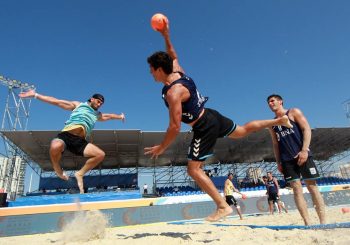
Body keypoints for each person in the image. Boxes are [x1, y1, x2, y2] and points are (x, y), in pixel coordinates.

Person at [144, 20, 293, 222]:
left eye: (151, 69)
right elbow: (174, 55)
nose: (150, 73)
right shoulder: (178, 72)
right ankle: (279, 121)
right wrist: (166, 35)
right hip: (211, 115)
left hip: (203, 126)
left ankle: (223, 206)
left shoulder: (174, 92)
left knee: (193, 170)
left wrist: (162, 147)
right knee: (241, 131)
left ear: (159, 69)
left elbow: (174, 126)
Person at [19, 90, 125, 194]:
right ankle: (57, 169)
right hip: (66, 135)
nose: (99, 104)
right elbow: (56, 101)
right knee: (55, 146)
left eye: (101, 103)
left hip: (80, 141)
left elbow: (110, 116)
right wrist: (35, 95)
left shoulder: (97, 115)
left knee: (100, 155)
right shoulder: (78, 105)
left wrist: (120, 117)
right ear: (92, 99)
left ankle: (80, 174)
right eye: (98, 101)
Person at [267, 94, 325, 225]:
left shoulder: (293, 112)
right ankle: (307, 223)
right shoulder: (272, 124)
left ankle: (323, 222)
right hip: (287, 160)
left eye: (272, 101)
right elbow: (275, 144)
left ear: (280, 101)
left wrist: (304, 150)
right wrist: (278, 162)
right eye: (268, 103)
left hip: (302, 154)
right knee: (296, 189)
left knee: (312, 187)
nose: (270, 104)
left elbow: (306, 129)